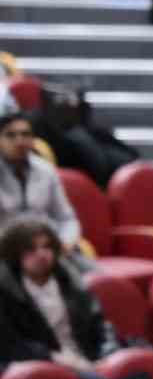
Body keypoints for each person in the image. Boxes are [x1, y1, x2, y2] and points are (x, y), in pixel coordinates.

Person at [0, 219, 125, 378]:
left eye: (46, 247)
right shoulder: (6, 291)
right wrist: (53, 357)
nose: (41, 254)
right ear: (14, 255)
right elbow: (11, 345)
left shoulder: (71, 280)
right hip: (45, 368)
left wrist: (108, 352)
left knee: (138, 373)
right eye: (30, 250)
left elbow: (100, 324)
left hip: (89, 358)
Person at [0, 113, 85, 266]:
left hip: (49, 249)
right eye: (11, 135)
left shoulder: (46, 170)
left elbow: (67, 218)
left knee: (91, 275)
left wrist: (65, 242)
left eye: (25, 134)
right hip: (6, 253)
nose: (20, 141)